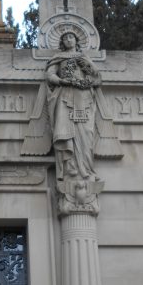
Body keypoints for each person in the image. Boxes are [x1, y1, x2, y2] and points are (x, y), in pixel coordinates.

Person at [45, 31, 102, 181]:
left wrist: (87, 67)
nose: (68, 40)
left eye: (71, 37)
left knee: (86, 134)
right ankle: (69, 166)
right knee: (65, 130)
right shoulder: (58, 58)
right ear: (62, 43)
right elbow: (50, 75)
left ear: (76, 40)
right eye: (64, 38)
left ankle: (86, 169)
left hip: (84, 98)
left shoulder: (84, 57)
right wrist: (62, 81)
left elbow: (97, 77)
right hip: (65, 97)